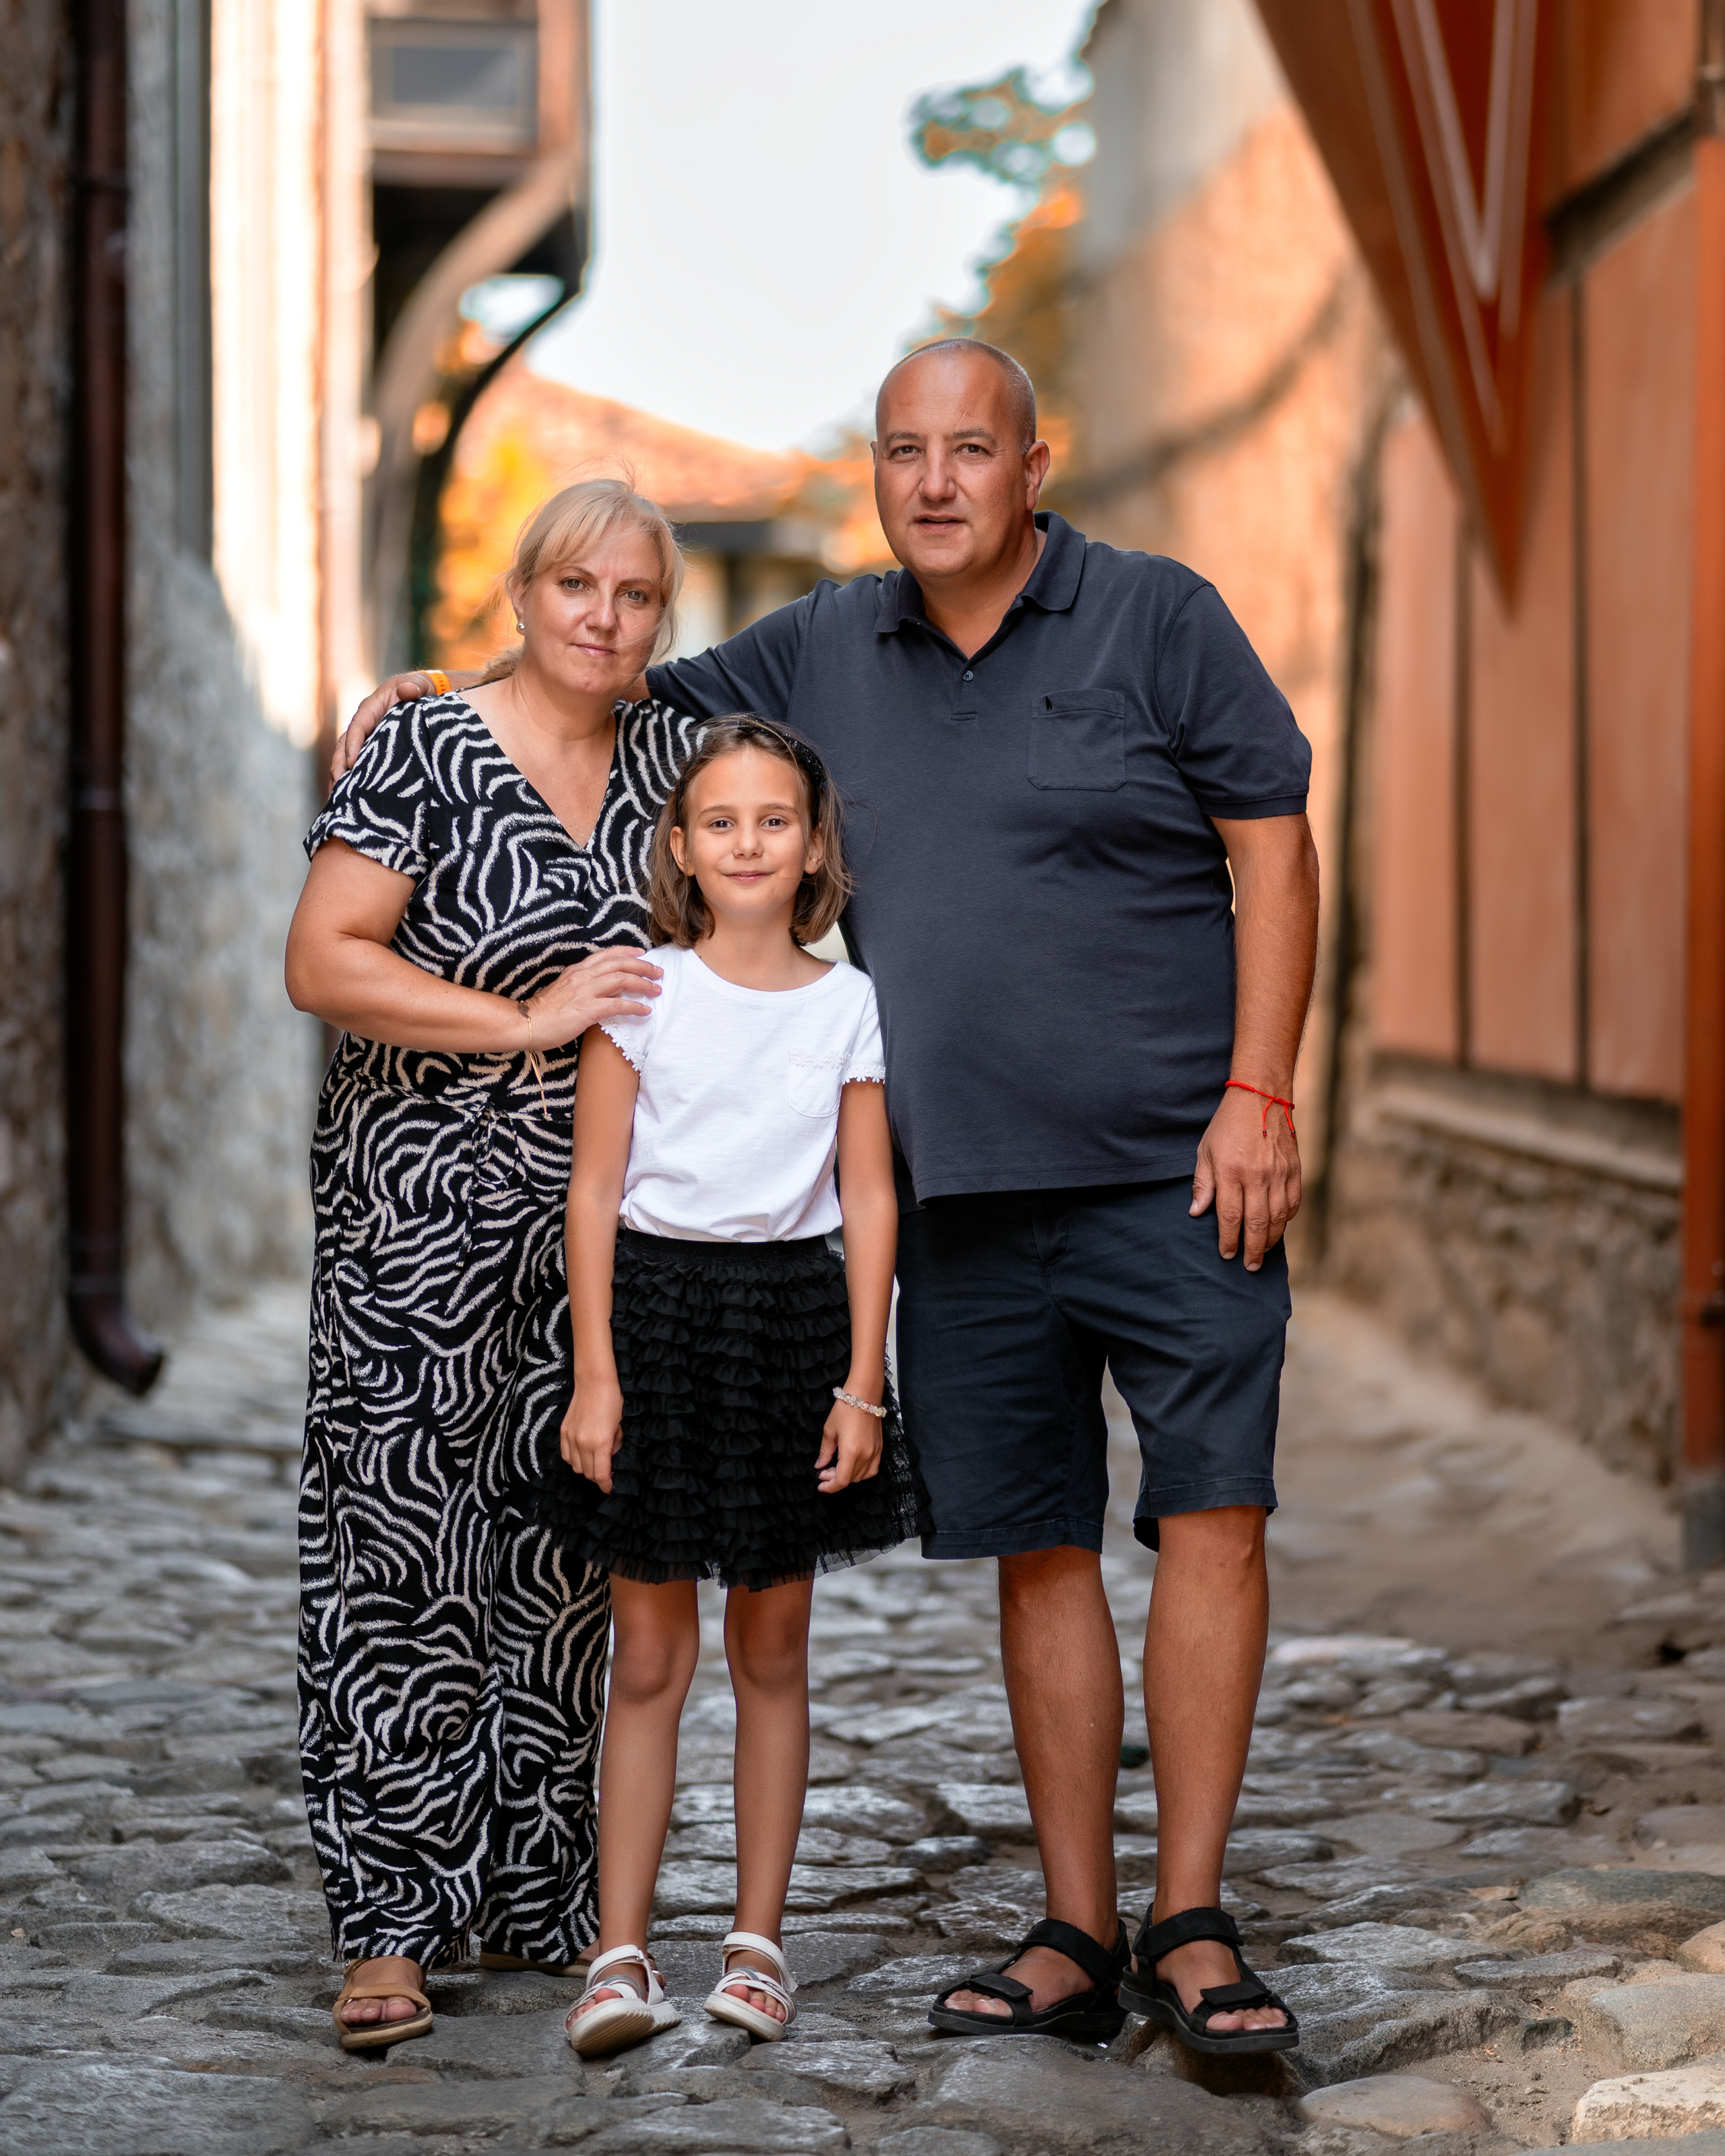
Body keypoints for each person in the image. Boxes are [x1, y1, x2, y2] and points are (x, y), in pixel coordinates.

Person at [338, 337, 1316, 2055]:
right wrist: (441, 687)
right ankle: (1077, 1925)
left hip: (1176, 1169)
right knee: (1034, 1550)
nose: (933, 480)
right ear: (876, 473)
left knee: (1210, 1517)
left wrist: (1258, 1093)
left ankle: (1195, 1919)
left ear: (1034, 460)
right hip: (953, 1197)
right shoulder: (816, 646)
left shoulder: (1158, 617)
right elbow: (616, 677)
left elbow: (1271, 842)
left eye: (969, 448)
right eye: (900, 451)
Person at [284, 477, 705, 2049]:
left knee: (565, 1554)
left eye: (638, 595)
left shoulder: (678, 751)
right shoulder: (423, 744)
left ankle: (528, 1894)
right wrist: (525, 1019)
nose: (604, 617)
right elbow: (323, 957)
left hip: (610, 1234)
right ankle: (386, 1925)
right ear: (520, 593)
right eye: (576, 585)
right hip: (417, 1223)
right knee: (400, 1554)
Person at [546, 718, 923, 2059]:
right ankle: (618, 1951)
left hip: (787, 1322)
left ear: (812, 844)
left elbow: (869, 1195)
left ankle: (757, 1948)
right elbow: (593, 1189)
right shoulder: (641, 990)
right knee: (646, 1655)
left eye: (775, 820)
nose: (750, 842)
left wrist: (861, 1381)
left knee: (772, 1653)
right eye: (722, 821)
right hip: (649, 1316)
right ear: (681, 848)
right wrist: (596, 1375)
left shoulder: (847, 1004)